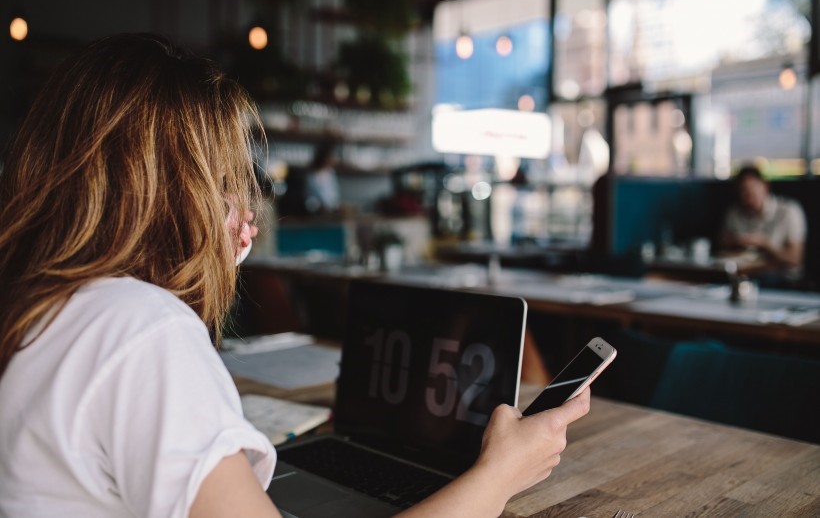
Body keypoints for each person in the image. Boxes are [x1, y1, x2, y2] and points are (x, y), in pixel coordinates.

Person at [0, 34, 590, 518]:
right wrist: (503, 473)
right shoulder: (138, 328)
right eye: (228, 183)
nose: (246, 212)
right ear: (176, 195)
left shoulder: (40, 310)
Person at [718, 165, 807, 279]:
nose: (748, 195)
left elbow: (795, 260)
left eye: (753, 189)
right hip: (743, 273)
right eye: (743, 191)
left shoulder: (789, 211)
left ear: (765, 187)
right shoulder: (734, 212)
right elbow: (721, 243)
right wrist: (735, 241)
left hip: (782, 277)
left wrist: (765, 244)